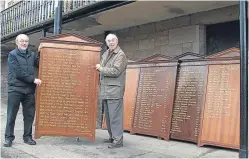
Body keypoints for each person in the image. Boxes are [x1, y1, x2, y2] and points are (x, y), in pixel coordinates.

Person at [4, 34, 42, 147]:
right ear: (17, 42)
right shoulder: (12, 55)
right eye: (22, 41)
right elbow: (18, 72)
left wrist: (42, 52)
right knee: (11, 115)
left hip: (29, 90)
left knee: (29, 115)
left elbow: (40, 64)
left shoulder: (32, 55)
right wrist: (33, 79)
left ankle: (27, 137)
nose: (24, 43)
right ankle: (8, 138)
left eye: (26, 41)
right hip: (15, 89)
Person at [96, 33, 128, 149]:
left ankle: (118, 140)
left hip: (114, 91)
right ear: (106, 42)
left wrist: (101, 69)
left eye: (113, 40)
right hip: (106, 91)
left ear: (117, 41)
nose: (111, 42)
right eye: (109, 41)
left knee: (115, 117)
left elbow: (115, 71)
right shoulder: (106, 53)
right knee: (109, 117)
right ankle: (112, 137)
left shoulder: (120, 55)